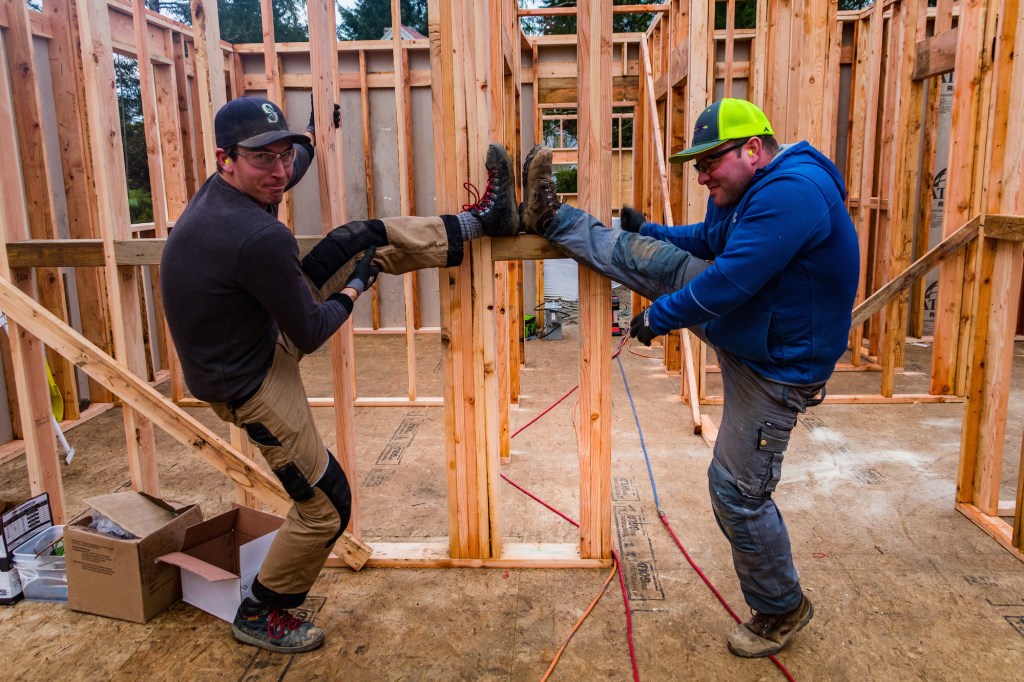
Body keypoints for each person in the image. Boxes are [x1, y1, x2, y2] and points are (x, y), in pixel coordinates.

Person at [161, 95, 518, 653]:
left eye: (285, 155)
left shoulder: (244, 186)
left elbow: (290, 165)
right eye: (263, 160)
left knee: (360, 237)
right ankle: (261, 611)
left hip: (251, 336)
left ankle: (479, 223)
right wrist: (355, 289)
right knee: (326, 505)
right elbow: (309, 332)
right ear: (224, 158)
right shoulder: (252, 235)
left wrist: (308, 134)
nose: (279, 172)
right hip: (249, 382)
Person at [517, 98, 859, 658]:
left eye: (708, 163)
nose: (700, 175)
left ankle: (781, 607)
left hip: (776, 370)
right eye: (695, 165)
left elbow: (729, 280)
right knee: (646, 255)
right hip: (752, 328)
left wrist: (659, 318)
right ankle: (554, 218)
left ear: (753, 149)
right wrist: (649, 229)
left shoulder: (793, 192)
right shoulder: (747, 188)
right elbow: (709, 240)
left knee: (736, 492)